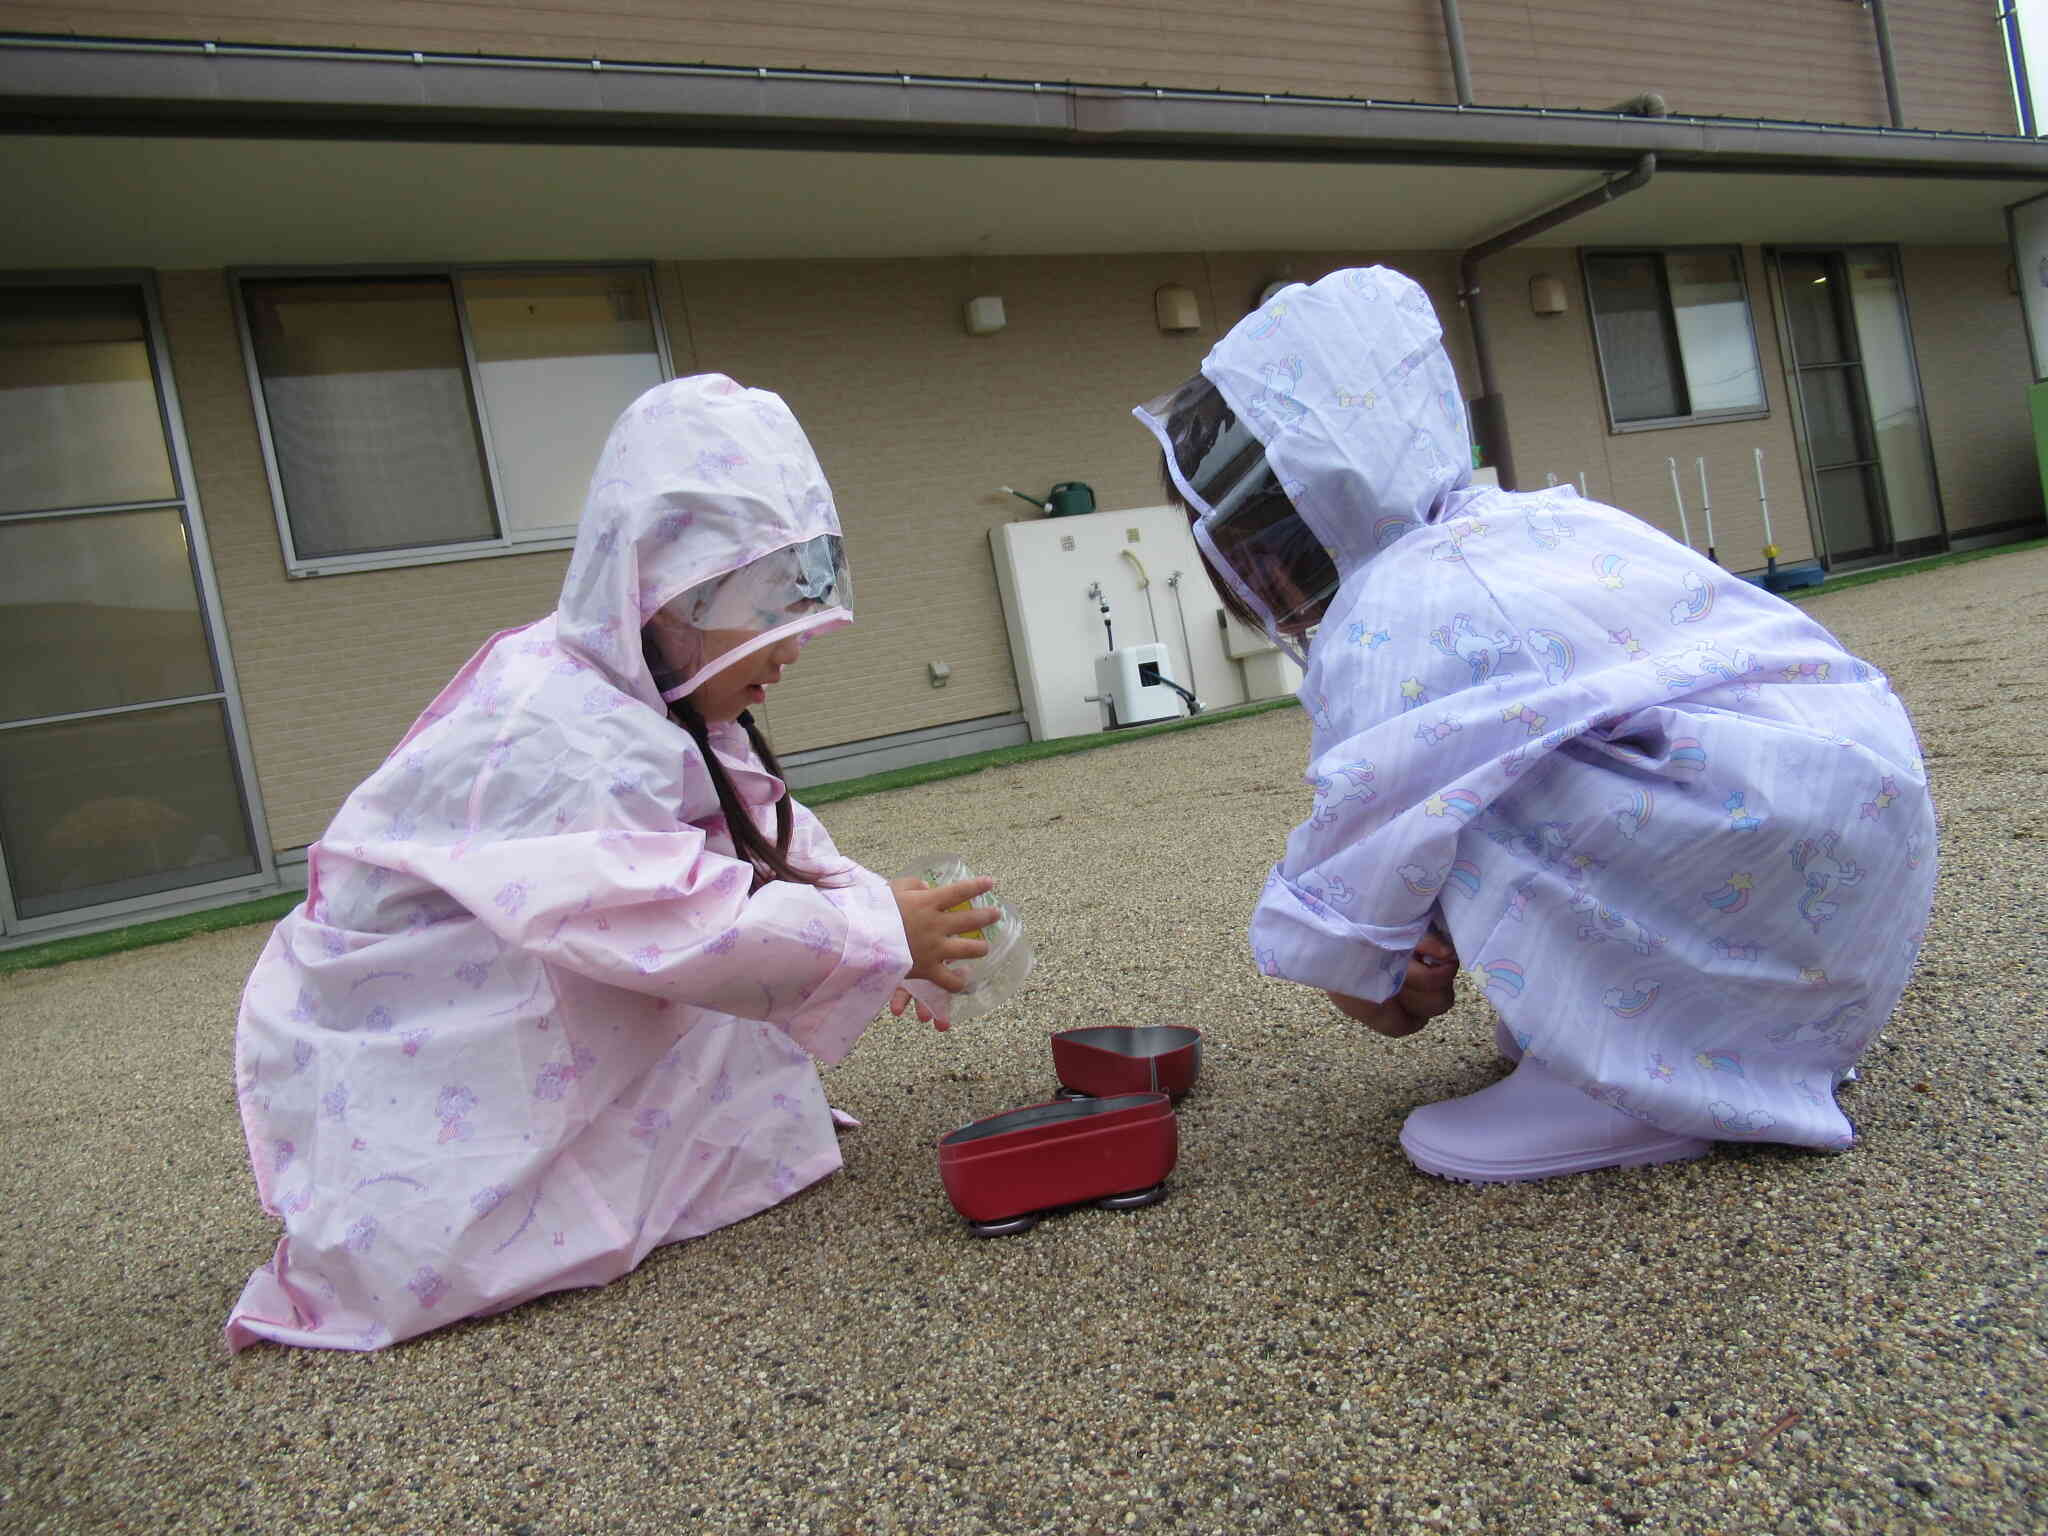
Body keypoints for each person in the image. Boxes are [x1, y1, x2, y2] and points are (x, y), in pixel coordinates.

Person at [226, 374, 995, 1351]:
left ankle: (672, 1163)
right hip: (425, 994)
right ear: (660, 594)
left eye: (799, 598)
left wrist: (876, 920)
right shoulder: (555, 730)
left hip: (558, 935)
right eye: (761, 605)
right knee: (494, 1167)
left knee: (719, 980)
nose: (790, 643)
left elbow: (762, 831)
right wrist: (871, 934)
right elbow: (665, 920)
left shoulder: (654, 694)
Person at [1132, 266, 1937, 1183]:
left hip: (1760, 853)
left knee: (1481, 782)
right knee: (1510, 752)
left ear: (1258, 539)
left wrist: (1375, 983)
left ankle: (1638, 1088)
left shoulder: (1390, 608)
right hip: (1846, 847)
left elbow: (1370, 832)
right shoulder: (1528, 519)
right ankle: (1688, 1032)